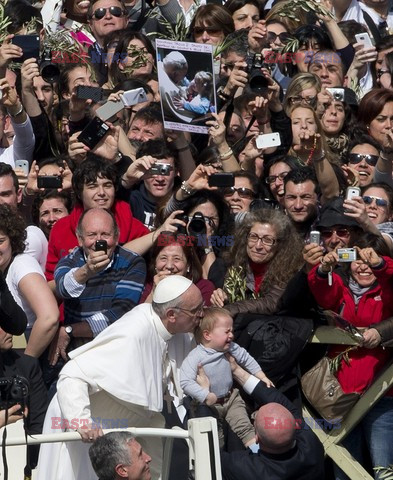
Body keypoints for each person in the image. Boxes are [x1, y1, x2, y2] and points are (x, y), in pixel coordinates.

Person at [36, 275, 204, 480]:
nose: (201, 314)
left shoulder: (173, 330)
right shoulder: (133, 333)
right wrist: (81, 421)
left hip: (121, 428)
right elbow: (72, 375)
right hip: (87, 426)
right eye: (196, 311)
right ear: (171, 314)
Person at [308, 235, 393, 479]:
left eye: (371, 259)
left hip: (382, 394)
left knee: (384, 470)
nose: (364, 265)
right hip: (341, 396)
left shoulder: (388, 289)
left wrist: (381, 265)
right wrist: (323, 269)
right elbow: (322, 293)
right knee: (343, 470)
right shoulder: (342, 287)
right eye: (358, 258)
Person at [52, 208, 146, 361]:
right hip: (77, 351)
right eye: (92, 235)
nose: (99, 241)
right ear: (80, 239)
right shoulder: (69, 261)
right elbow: (63, 289)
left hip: (116, 348)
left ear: (116, 237)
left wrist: (71, 330)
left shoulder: (132, 262)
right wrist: (87, 272)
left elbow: (121, 313)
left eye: (105, 234)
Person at [213, 358, 325, 480]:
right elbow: (283, 403)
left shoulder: (243, 468)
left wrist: (204, 399)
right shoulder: (311, 447)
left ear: (256, 438)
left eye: (255, 416)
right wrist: (237, 370)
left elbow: (210, 459)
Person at [180, 307, 273, 448]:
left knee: (245, 429)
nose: (231, 335)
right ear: (207, 335)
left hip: (231, 399)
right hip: (208, 405)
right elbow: (185, 381)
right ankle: (219, 465)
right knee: (215, 439)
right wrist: (205, 395)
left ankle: (257, 455)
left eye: (232, 331)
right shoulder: (196, 356)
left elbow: (246, 359)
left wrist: (262, 376)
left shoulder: (230, 348)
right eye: (227, 331)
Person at [45, 158, 148, 282]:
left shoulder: (133, 226)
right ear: (79, 192)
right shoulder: (61, 228)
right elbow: (50, 283)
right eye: (92, 186)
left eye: (107, 185)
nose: (101, 192)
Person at [210, 208, 304, 317]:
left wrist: (229, 309)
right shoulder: (231, 264)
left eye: (267, 240)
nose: (258, 246)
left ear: (280, 244)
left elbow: (271, 303)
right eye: (253, 237)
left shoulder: (290, 268)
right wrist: (221, 298)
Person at [0, 204, 59, 358]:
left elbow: (49, 317)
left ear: (12, 240)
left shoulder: (21, 264)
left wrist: (27, 363)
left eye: (0, 241)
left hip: (20, 359)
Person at [140, 231, 214, 305]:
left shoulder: (203, 288)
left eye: (176, 259)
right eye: (163, 258)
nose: (169, 266)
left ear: (188, 263)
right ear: (155, 262)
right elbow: (140, 315)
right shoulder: (148, 284)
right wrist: (154, 293)